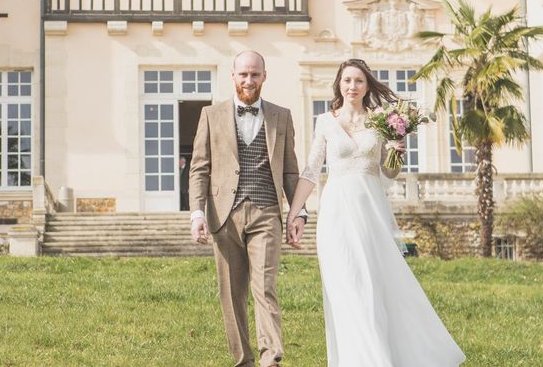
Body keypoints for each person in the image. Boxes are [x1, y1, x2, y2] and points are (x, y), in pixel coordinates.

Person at [286, 58, 466, 366]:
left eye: (358, 81)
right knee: (346, 284)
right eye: (346, 80)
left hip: (370, 208)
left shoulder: (381, 121)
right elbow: (311, 171)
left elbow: (389, 173)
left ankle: (392, 353)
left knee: (375, 281)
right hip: (337, 210)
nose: (352, 86)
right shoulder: (325, 122)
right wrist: (294, 211)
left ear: (367, 85)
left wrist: (397, 151)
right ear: (339, 85)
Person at [189, 50, 308, 367]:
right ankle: (244, 359)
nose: (249, 80)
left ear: (264, 76)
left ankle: (271, 356)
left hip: (267, 211)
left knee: (264, 285)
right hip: (223, 214)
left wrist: (299, 213)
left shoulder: (281, 116)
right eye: (243, 74)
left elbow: (290, 171)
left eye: (255, 74)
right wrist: (197, 213)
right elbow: (199, 169)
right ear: (233, 76)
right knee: (231, 292)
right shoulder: (211, 115)